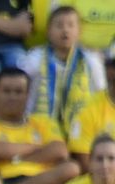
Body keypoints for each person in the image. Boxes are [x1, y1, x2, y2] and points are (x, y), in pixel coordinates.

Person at [24, 5, 102, 133]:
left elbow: (100, 92)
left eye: (71, 25)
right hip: (40, 129)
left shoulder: (90, 60)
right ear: (48, 31)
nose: (65, 30)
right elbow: (27, 95)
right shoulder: (34, 59)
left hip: (82, 130)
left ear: (79, 31)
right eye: (59, 26)